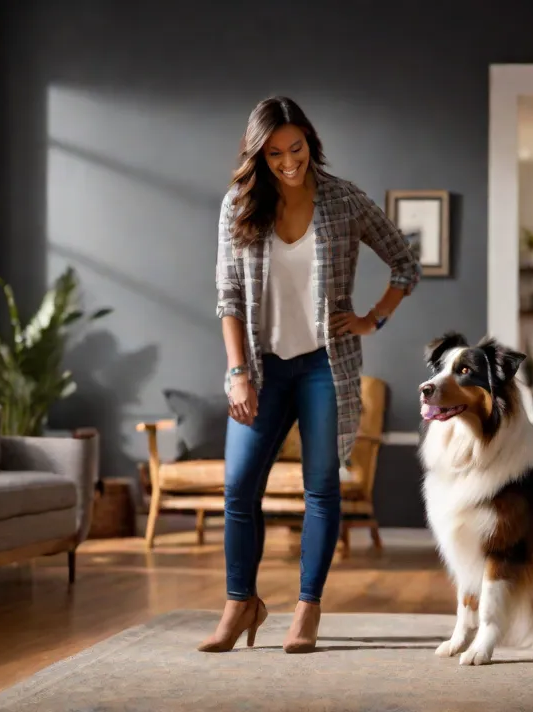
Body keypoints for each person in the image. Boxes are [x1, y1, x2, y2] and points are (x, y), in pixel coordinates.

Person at [198, 96, 421, 654]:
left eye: (295, 148)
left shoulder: (343, 200)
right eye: (274, 153)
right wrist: (236, 373)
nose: (288, 161)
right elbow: (227, 295)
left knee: (320, 489)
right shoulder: (239, 205)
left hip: (326, 365)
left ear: (310, 143)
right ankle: (240, 602)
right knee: (238, 488)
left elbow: (405, 263)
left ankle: (307, 610)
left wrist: (374, 318)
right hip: (262, 365)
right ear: (258, 155)